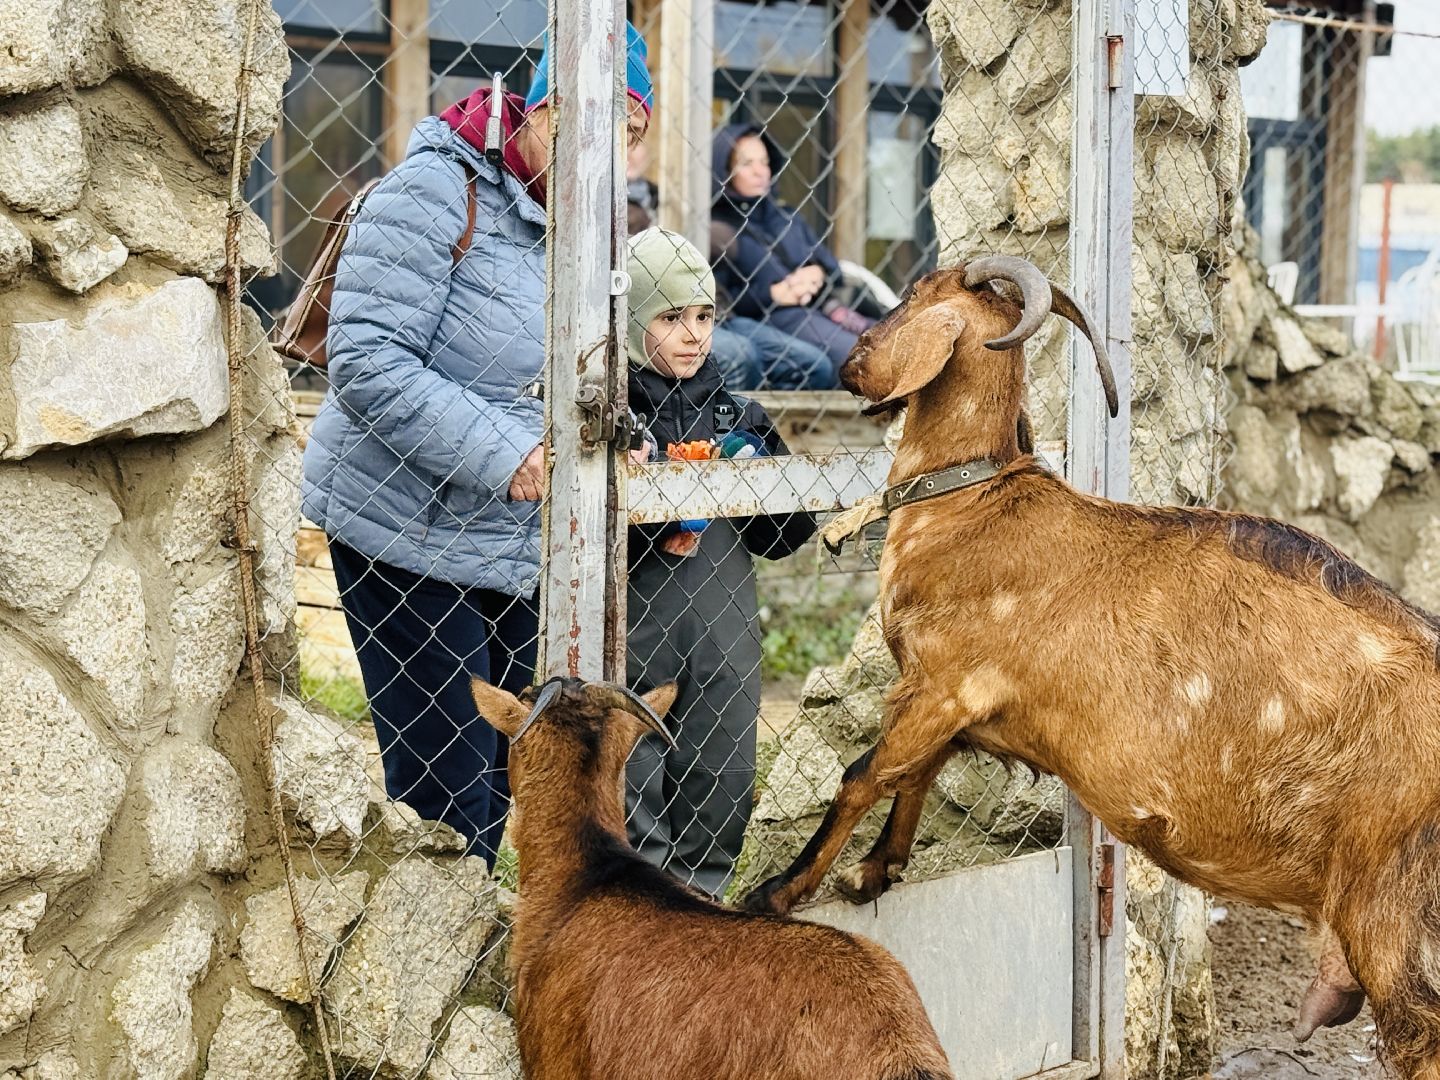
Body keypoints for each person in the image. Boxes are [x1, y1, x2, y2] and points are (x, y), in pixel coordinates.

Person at [300, 27, 656, 867]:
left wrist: (621, 439)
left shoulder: (590, 226)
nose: (614, 153)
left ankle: (468, 967)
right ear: (543, 108)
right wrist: (510, 451)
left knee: (505, 788)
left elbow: (586, 372)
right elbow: (365, 361)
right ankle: (422, 982)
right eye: (598, 123)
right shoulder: (433, 190)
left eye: (631, 133)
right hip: (404, 531)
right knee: (447, 799)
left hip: (510, 541)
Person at [622, 227, 817, 898]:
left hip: (723, 648)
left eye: (704, 317)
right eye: (670, 317)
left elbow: (788, 536)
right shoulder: (614, 423)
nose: (692, 334)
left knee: (722, 769)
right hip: (636, 643)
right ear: (630, 322)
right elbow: (580, 545)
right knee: (630, 772)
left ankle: (703, 897)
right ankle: (639, 910)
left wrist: (758, 478)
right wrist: (655, 508)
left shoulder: (741, 415)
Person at [626, 141, 832, 391]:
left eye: (635, 139)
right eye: (747, 163)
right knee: (741, 356)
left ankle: (755, 424)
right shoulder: (615, 207)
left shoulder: (665, 197)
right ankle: (723, 425)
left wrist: (814, 272)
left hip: (719, 311)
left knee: (814, 364)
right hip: (665, 315)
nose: (628, 150)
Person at [711, 124, 875, 375]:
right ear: (725, 171)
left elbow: (830, 264)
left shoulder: (784, 215)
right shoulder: (718, 230)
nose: (760, 172)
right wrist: (774, 293)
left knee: (890, 339)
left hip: (827, 307)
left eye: (764, 162)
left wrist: (814, 273)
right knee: (861, 357)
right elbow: (722, 302)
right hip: (778, 317)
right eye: (746, 164)